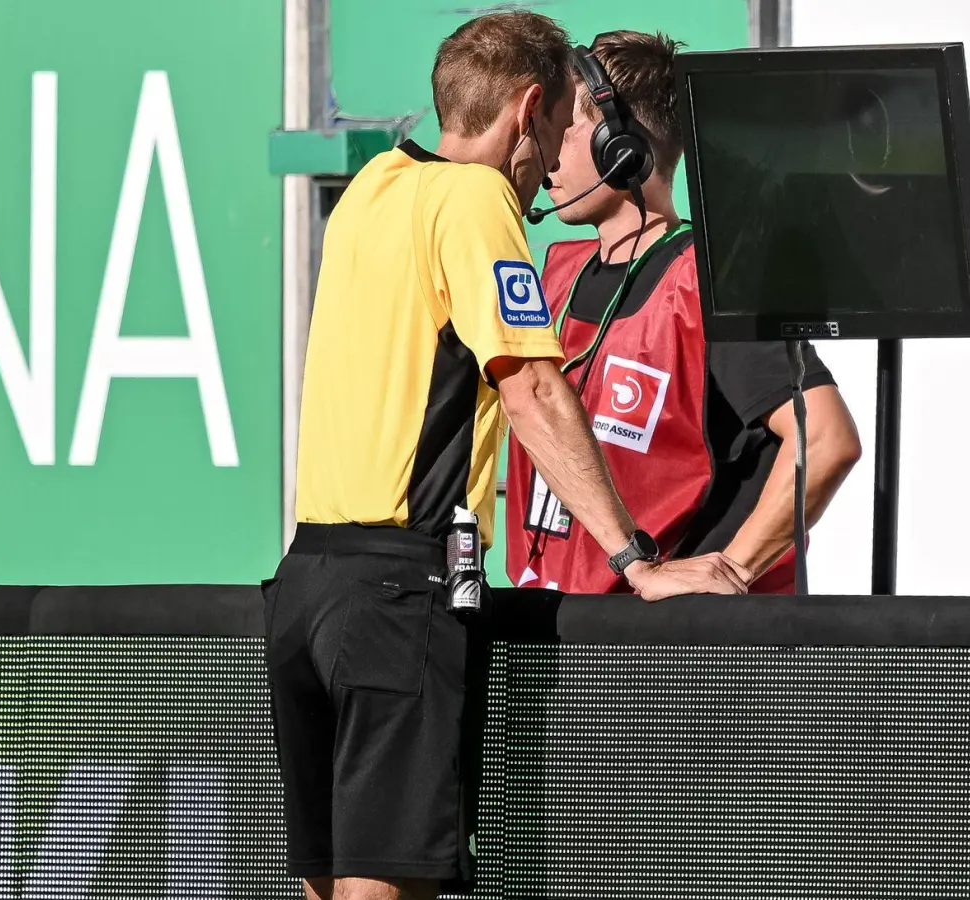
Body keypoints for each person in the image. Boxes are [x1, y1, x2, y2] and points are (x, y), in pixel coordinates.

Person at [264, 13, 750, 900]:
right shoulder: (476, 201)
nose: (559, 156)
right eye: (564, 123)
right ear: (529, 111)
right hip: (396, 599)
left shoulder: (374, 184)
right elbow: (529, 386)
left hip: (304, 588)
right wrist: (637, 561)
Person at [505, 30, 865, 595]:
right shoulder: (551, 279)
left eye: (562, 124)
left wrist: (731, 574)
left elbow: (825, 440)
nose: (544, 144)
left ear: (617, 146)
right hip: (558, 642)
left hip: (676, 660)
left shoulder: (707, 282)